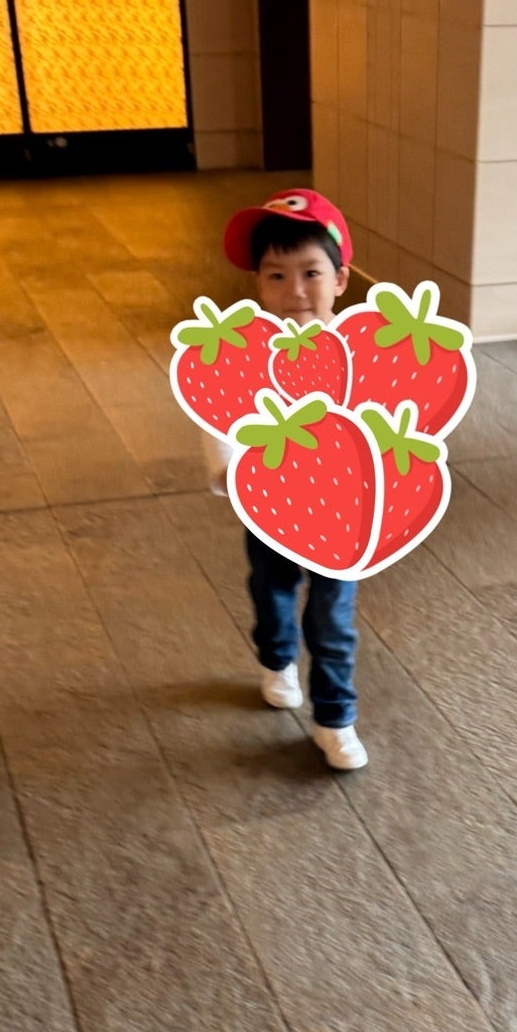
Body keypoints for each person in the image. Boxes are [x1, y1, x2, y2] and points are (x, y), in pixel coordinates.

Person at [203, 188, 367, 770]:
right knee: (272, 590)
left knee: (332, 616)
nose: (294, 290)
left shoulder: (360, 353)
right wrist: (231, 471)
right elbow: (219, 414)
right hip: (267, 507)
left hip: (341, 514)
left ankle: (335, 718)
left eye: (310, 273)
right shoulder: (247, 354)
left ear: (340, 279)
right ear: (258, 283)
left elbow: (387, 422)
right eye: (276, 275)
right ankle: (276, 659)